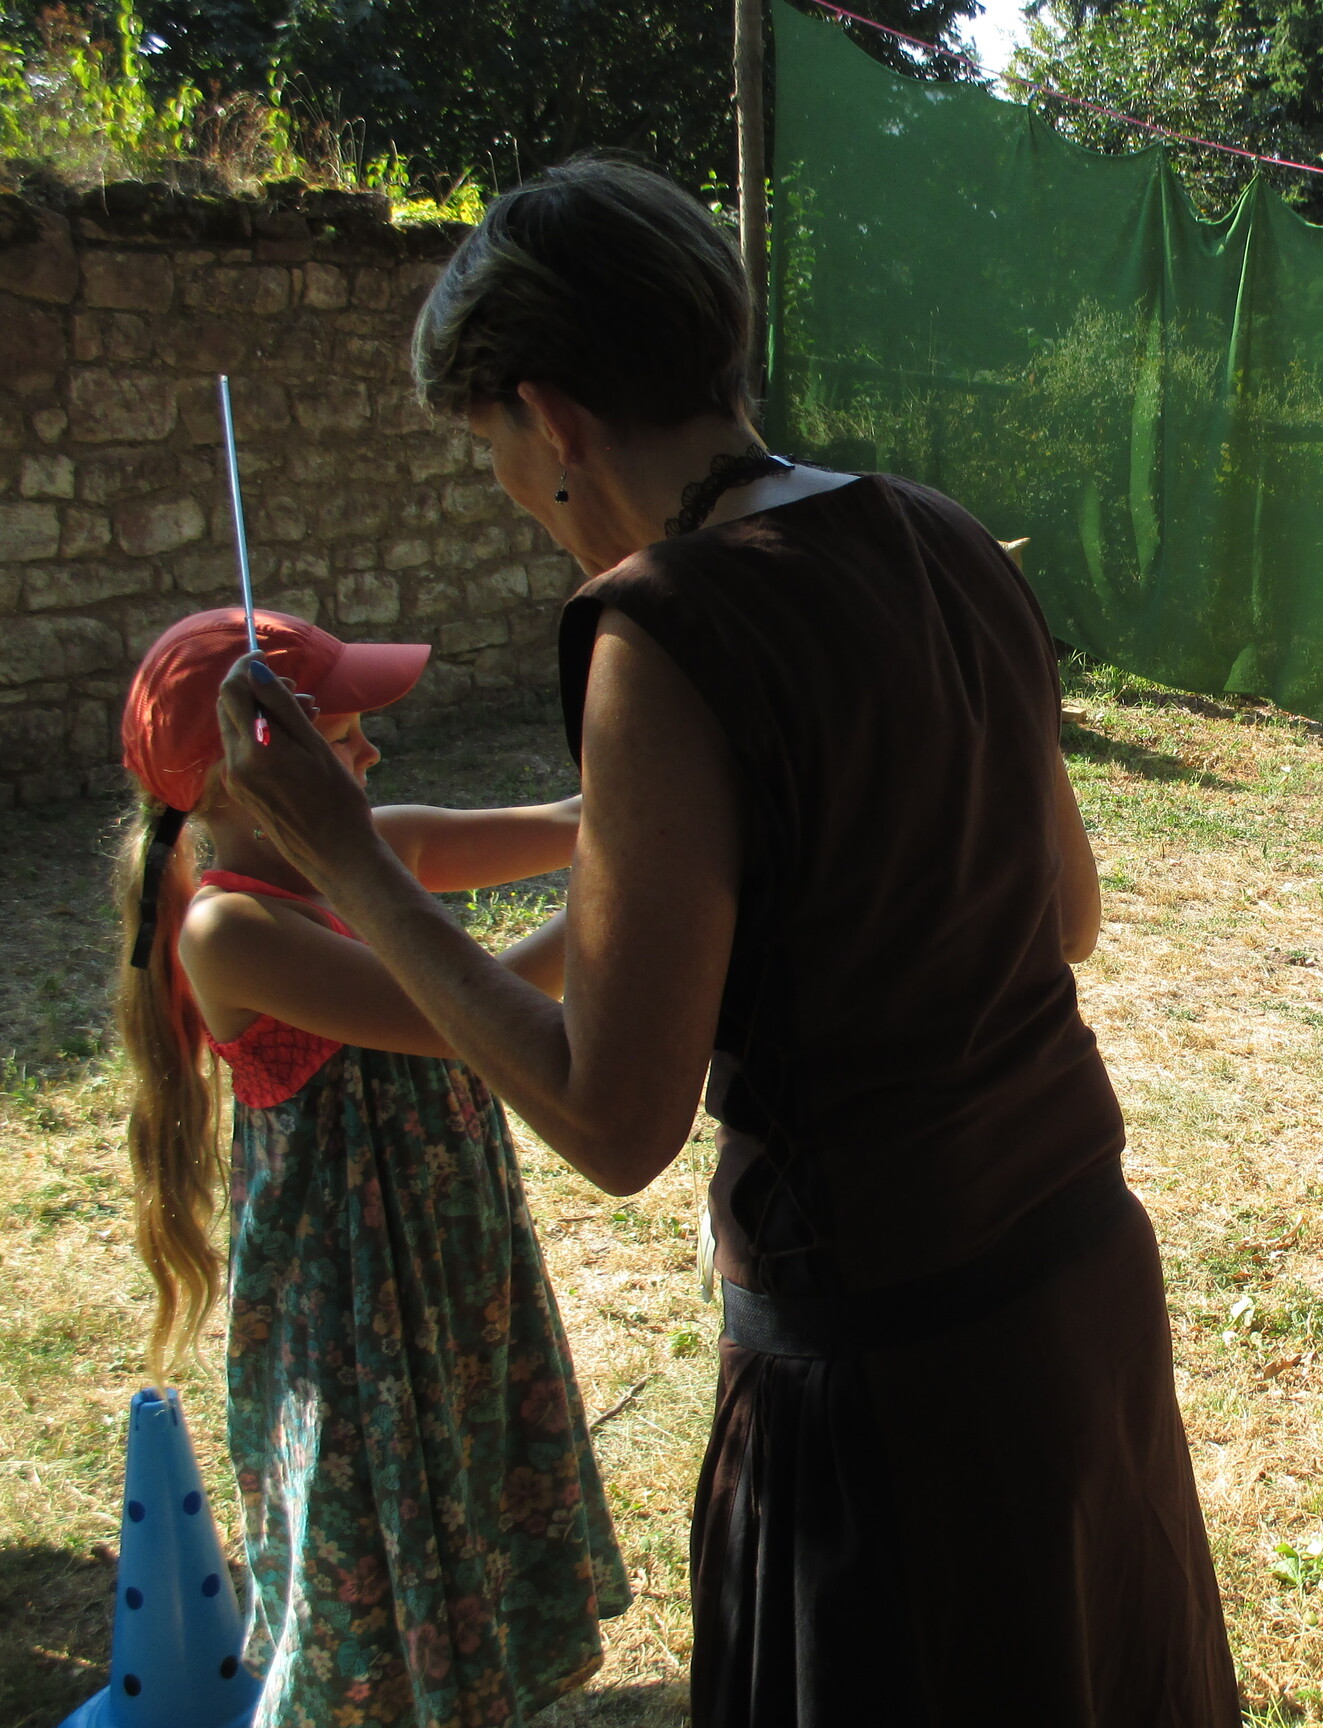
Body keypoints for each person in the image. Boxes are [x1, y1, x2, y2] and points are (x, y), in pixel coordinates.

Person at [214, 155, 1240, 1724]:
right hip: (1074, 1283)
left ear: (550, 416)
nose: (511, 492)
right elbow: (1068, 913)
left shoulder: (665, 626)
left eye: (493, 451)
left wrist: (343, 857)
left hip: (886, 1377)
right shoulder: (948, 538)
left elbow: (615, 1121)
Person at [115, 606, 628, 1722]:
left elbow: (570, 819)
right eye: (343, 736)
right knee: (371, 1545)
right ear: (250, 774)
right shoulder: (228, 934)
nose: (372, 752)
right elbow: (468, 1012)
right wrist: (637, 903)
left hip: (443, 1267)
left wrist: (669, 785)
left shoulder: (375, 847)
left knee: (468, 1483)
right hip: (353, 1313)